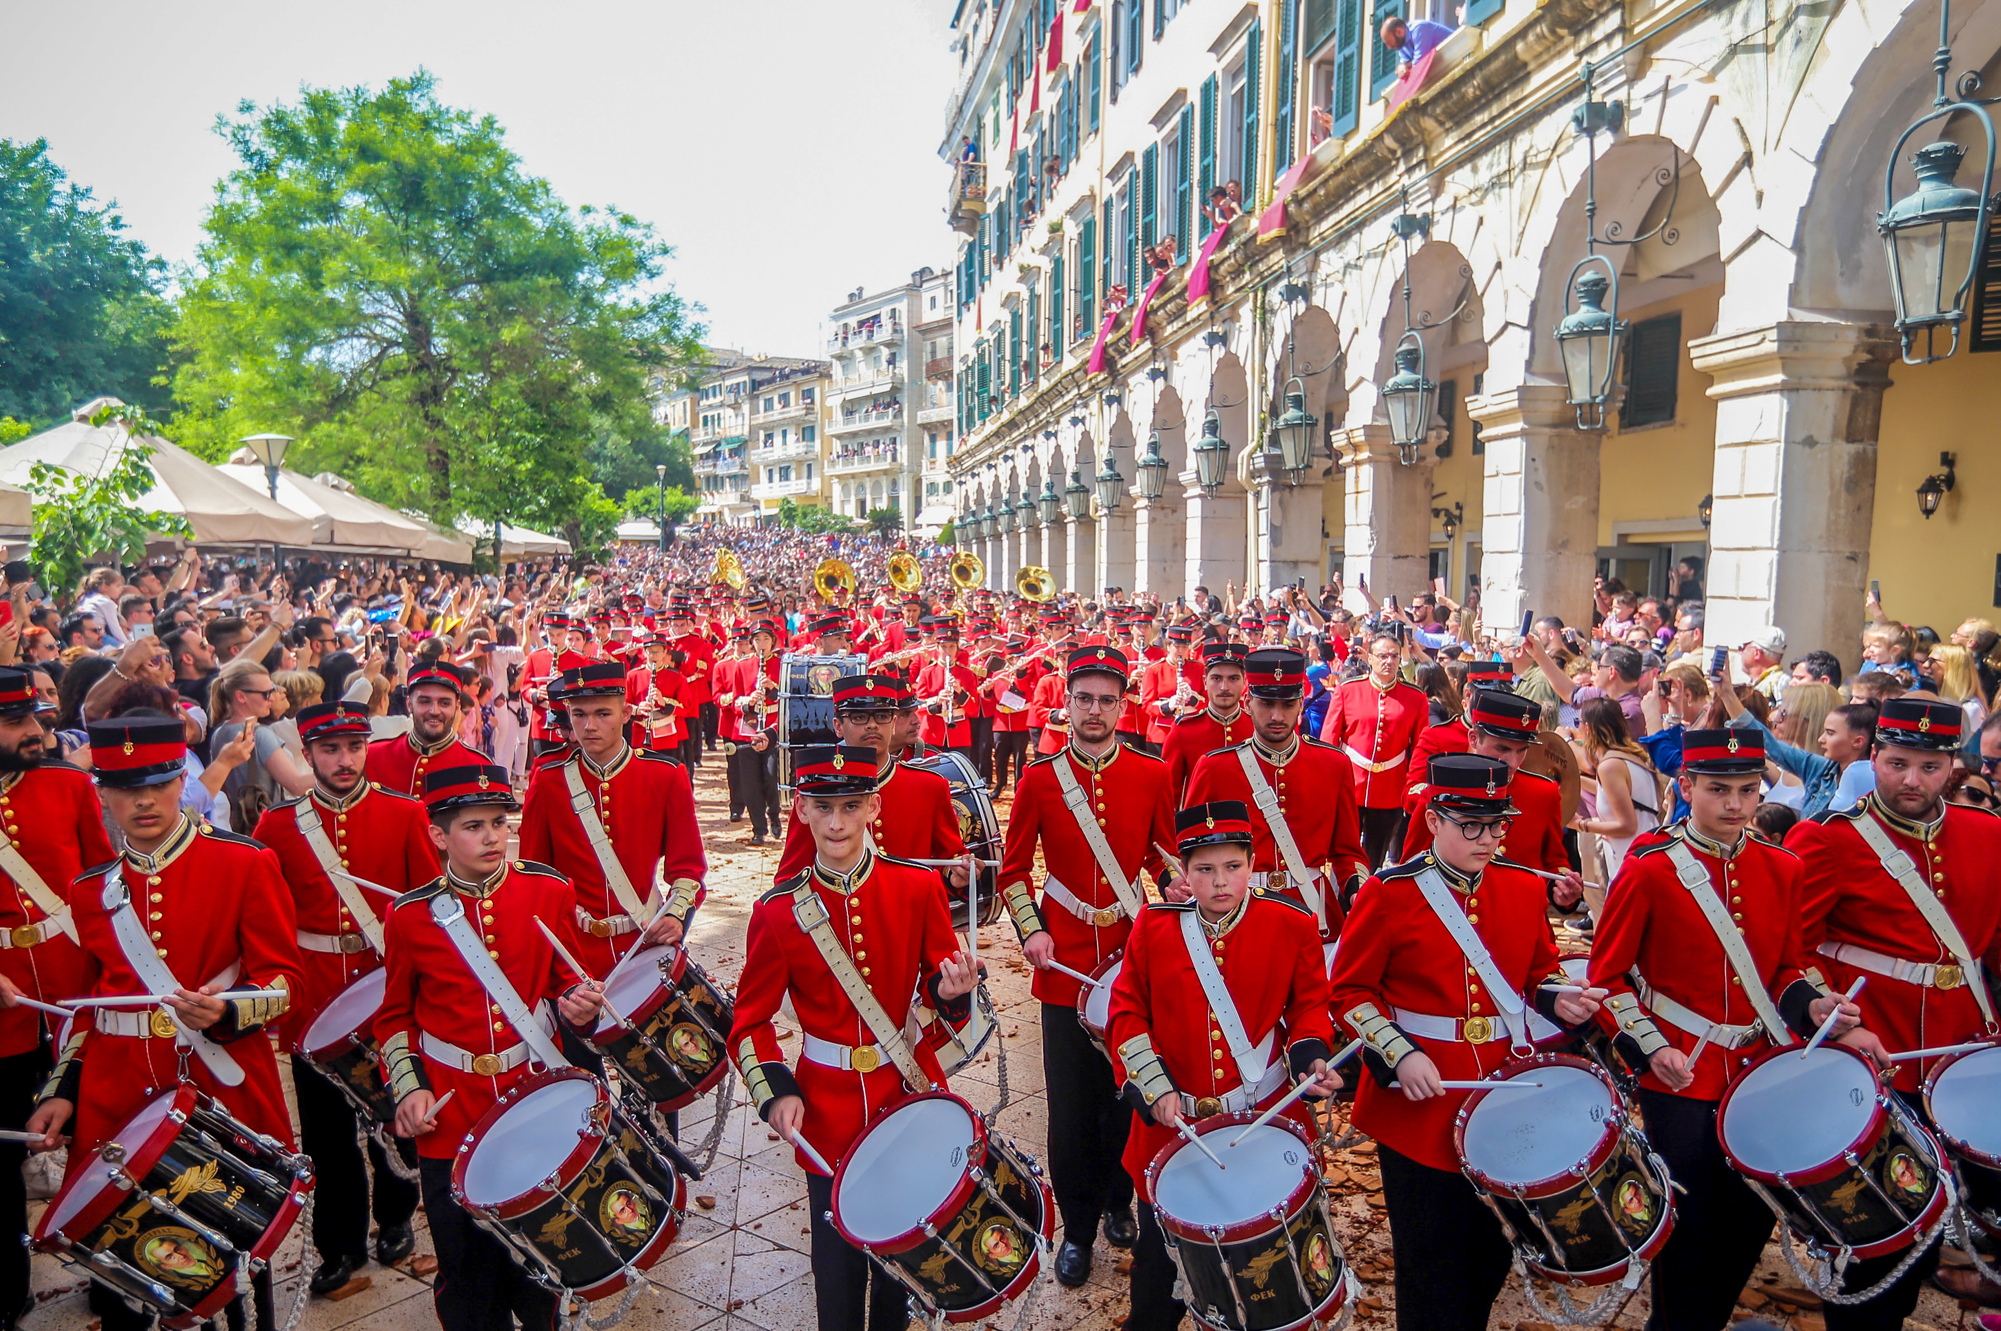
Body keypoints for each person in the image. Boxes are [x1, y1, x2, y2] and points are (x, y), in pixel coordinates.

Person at [22, 716, 301, 1331]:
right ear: (102, 794)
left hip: (218, 1080)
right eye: (123, 788)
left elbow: (285, 981)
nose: (143, 801)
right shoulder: (89, 889)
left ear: (183, 780)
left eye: (158, 782)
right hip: (114, 1091)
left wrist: (230, 1009)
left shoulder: (244, 862)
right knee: (122, 1261)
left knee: (235, 1255)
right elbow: (82, 1007)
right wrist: (61, 1093)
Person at [1587, 727, 1870, 1331]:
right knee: (1687, 1228)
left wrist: (1815, 1007)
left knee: (1750, 1214)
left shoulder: (1783, 867)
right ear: (1686, 787)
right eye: (1718, 790)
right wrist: (1651, 1046)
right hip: (1680, 1072)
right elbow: (1606, 978)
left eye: (1748, 789)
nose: (1737, 804)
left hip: (1761, 1067)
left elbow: (1788, 966)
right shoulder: (1649, 870)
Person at [1329, 754, 1604, 1331]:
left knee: (1490, 1250)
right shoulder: (1390, 892)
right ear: (1433, 820)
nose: (1488, 839)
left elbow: (1537, 973)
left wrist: (1561, 999)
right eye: (1470, 825)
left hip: (1502, 1089)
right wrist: (1399, 1051)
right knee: (1429, 1261)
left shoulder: (1522, 886)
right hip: (1421, 1098)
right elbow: (1350, 992)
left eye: (1498, 824)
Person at [728, 745, 978, 1331]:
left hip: (904, 1096)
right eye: (822, 807)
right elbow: (749, 1022)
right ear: (800, 810)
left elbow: (945, 1003)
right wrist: (775, 1090)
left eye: (850, 806)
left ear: (874, 807)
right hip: (827, 1109)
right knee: (836, 1270)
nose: (836, 823)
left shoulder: (916, 888)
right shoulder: (779, 911)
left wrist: (953, 991)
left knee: (902, 1262)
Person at [1787, 696, 2001, 1323]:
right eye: (1898, 762)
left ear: (1952, 769)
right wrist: (1835, 1021)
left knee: (1967, 1216)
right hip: (1878, 1055)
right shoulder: (1827, 839)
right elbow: (1788, 950)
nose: (1912, 781)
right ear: (1873, 756)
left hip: (1967, 1050)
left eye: (1930, 768)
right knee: (1882, 1231)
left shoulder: (1988, 835)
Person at [374, 762, 602, 1331]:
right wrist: (409, 1089)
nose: (494, 837)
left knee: (541, 1262)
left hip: (533, 1103)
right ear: (438, 836)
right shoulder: (408, 916)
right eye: (474, 826)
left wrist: (576, 998)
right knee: (466, 1267)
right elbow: (395, 1018)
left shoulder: (546, 889)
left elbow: (563, 974)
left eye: (500, 822)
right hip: (452, 1112)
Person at [1107, 799, 1344, 1331]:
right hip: (1174, 1129)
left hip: (1262, 1121)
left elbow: (1309, 1003)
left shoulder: (1291, 922)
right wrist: (1152, 1083)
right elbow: (1127, 1009)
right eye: (1204, 869)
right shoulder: (1155, 926)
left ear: (1252, 863)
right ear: (1183, 871)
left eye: (1233, 867)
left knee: (1265, 1273)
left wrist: (1310, 1055)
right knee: (1157, 1274)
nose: (1220, 883)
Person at [996, 646, 1180, 1286]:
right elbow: (1015, 873)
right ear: (1066, 703)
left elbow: (1163, 859)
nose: (1095, 711)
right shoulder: (1041, 779)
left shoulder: (1153, 774)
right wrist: (1033, 932)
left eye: (1107, 700)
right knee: (1072, 1103)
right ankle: (1075, 1228)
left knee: (1127, 1096)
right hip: (1064, 962)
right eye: (1084, 699)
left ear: (1123, 706)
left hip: (1132, 958)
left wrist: (1177, 886)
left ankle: (1120, 1202)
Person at [250, 700, 439, 1294]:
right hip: (314, 996)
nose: (345, 760)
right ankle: (339, 1243)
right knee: (327, 1133)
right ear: (307, 755)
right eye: (330, 749)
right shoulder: (277, 827)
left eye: (354, 747)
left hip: (386, 988)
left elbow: (428, 909)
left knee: (395, 1114)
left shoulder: (404, 813)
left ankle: (397, 1218)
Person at [0, 667, 110, 1329]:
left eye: (36, 718)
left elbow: (103, 888)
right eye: (16, 723)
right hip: (4, 1009)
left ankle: (110, 1270)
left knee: (97, 1139)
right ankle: (8, 1289)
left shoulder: (68, 785)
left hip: (76, 989)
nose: (37, 732)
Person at [518, 661, 706, 982]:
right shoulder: (548, 782)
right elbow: (535, 875)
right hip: (573, 951)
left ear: (626, 713)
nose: (589, 725)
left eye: (603, 714)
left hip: (643, 942)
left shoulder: (665, 776)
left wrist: (675, 915)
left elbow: (687, 868)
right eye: (579, 714)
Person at [1186, 647, 1371, 929]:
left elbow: (1347, 852)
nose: (1277, 716)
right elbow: (1193, 848)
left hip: (1314, 911)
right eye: (1267, 704)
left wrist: (1356, 889)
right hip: (1239, 913)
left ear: (1301, 704)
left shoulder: (1333, 764)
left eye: (1287, 705)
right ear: (1248, 703)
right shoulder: (1215, 768)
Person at [770, 675, 970, 889]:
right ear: (837, 726)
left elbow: (950, 858)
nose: (872, 725)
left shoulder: (929, 786)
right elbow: (791, 877)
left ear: (893, 724)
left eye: (882, 716)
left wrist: (959, 872)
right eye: (859, 717)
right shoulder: (816, 790)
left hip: (907, 916)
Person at [1321, 632, 1430, 867]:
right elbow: (1329, 740)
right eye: (1382, 656)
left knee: (1374, 858)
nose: (1388, 661)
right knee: (1342, 853)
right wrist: (1327, 783)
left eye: (1393, 656)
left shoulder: (1415, 697)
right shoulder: (1349, 690)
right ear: (1370, 659)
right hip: (1351, 784)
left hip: (1391, 788)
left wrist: (1414, 786)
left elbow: (1421, 748)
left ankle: (1365, 900)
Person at [1573, 696, 1662, 881]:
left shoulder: (1610, 766)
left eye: (1578, 722)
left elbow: (1627, 826)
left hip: (1633, 865)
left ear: (1587, 728)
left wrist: (1580, 825)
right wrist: (1573, 781)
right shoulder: (1631, 757)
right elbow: (1612, 794)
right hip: (1645, 858)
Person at [363, 662, 485, 796]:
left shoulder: (479, 767)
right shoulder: (373, 758)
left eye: (444, 703)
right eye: (424, 702)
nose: (434, 711)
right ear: (409, 704)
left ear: (457, 707)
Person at [1161, 641, 1254, 804]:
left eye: (1233, 678)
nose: (1224, 687)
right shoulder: (1184, 730)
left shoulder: (1256, 727)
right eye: (1216, 678)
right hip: (1201, 824)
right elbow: (1168, 794)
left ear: (1244, 682)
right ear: (1205, 682)